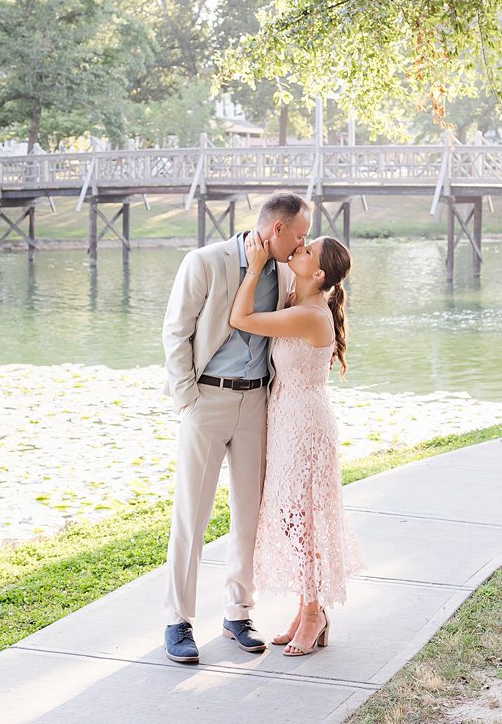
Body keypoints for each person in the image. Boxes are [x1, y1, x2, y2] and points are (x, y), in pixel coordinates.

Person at [160, 192, 312, 664]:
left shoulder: (288, 273)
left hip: (256, 402)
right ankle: (178, 621)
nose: (303, 243)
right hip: (207, 398)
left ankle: (237, 613)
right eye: (300, 234)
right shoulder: (205, 261)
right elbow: (175, 331)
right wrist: (188, 397)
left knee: (249, 514)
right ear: (277, 229)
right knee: (192, 515)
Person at [229, 233, 363, 657]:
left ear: (318, 273)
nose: (298, 252)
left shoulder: (310, 314)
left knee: (302, 520)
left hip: (305, 424)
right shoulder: (293, 295)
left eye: (306, 251)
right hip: (286, 419)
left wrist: (252, 271)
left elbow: (242, 319)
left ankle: (312, 612)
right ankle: (308, 607)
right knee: (292, 519)